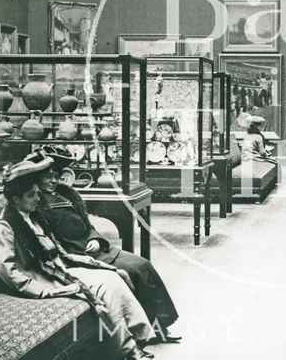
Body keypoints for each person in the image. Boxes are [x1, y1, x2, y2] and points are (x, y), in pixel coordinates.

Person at [0, 152, 155, 360]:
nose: (37, 199)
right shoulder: (5, 226)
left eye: (36, 193)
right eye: (31, 195)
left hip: (58, 269)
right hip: (42, 279)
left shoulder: (33, 215)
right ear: (16, 198)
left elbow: (57, 250)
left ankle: (137, 338)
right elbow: (8, 271)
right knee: (102, 288)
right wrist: (42, 292)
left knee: (113, 278)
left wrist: (86, 262)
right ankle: (128, 350)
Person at [37, 145, 180, 344]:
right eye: (47, 177)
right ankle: (143, 331)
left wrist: (95, 239)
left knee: (143, 264)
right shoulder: (37, 202)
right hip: (77, 256)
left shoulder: (67, 194)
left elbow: (88, 225)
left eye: (56, 176)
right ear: (36, 178)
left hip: (96, 248)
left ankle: (160, 325)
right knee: (131, 270)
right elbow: (49, 242)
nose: (53, 181)